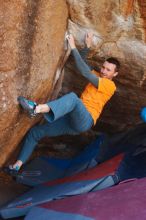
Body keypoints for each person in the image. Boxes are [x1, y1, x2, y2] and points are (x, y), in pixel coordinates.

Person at [7, 33, 120, 172]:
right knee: (36, 132)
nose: (103, 71)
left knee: (73, 98)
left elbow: (85, 73)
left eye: (108, 70)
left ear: (115, 74)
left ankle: (36, 109)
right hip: (73, 120)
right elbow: (82, 62)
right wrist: (87, 46)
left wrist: (72, 46)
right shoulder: (97, 74)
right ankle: (17, 166)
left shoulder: (110, 86)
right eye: (103, 67)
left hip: (86, 119)